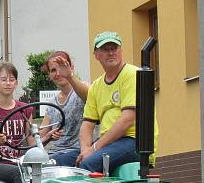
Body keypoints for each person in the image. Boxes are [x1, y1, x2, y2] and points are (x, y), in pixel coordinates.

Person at [54, 31, 158, 173]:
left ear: (120, 51)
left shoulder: (132, 75)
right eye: (105, 49)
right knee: (60, 162)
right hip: (110, 144)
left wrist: (94, 148)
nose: (110, 53)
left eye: (114, 48)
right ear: (96, 55)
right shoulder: (96, 86)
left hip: (134, 141)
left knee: (89, 164)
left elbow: (127, 120)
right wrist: (85, 149)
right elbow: (87, 124)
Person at [37, 50, 86, 164]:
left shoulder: (82, 88)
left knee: (46, 165)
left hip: (77, 151)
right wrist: (49, 136)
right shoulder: (52, 104)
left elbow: (89, 96)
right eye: (53, 70)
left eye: (62, 67)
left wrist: (70, 76)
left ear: (71, 67)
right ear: (49, 75)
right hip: (54, 153)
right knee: (27, 166)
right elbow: (39, 138)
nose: (58, 73)